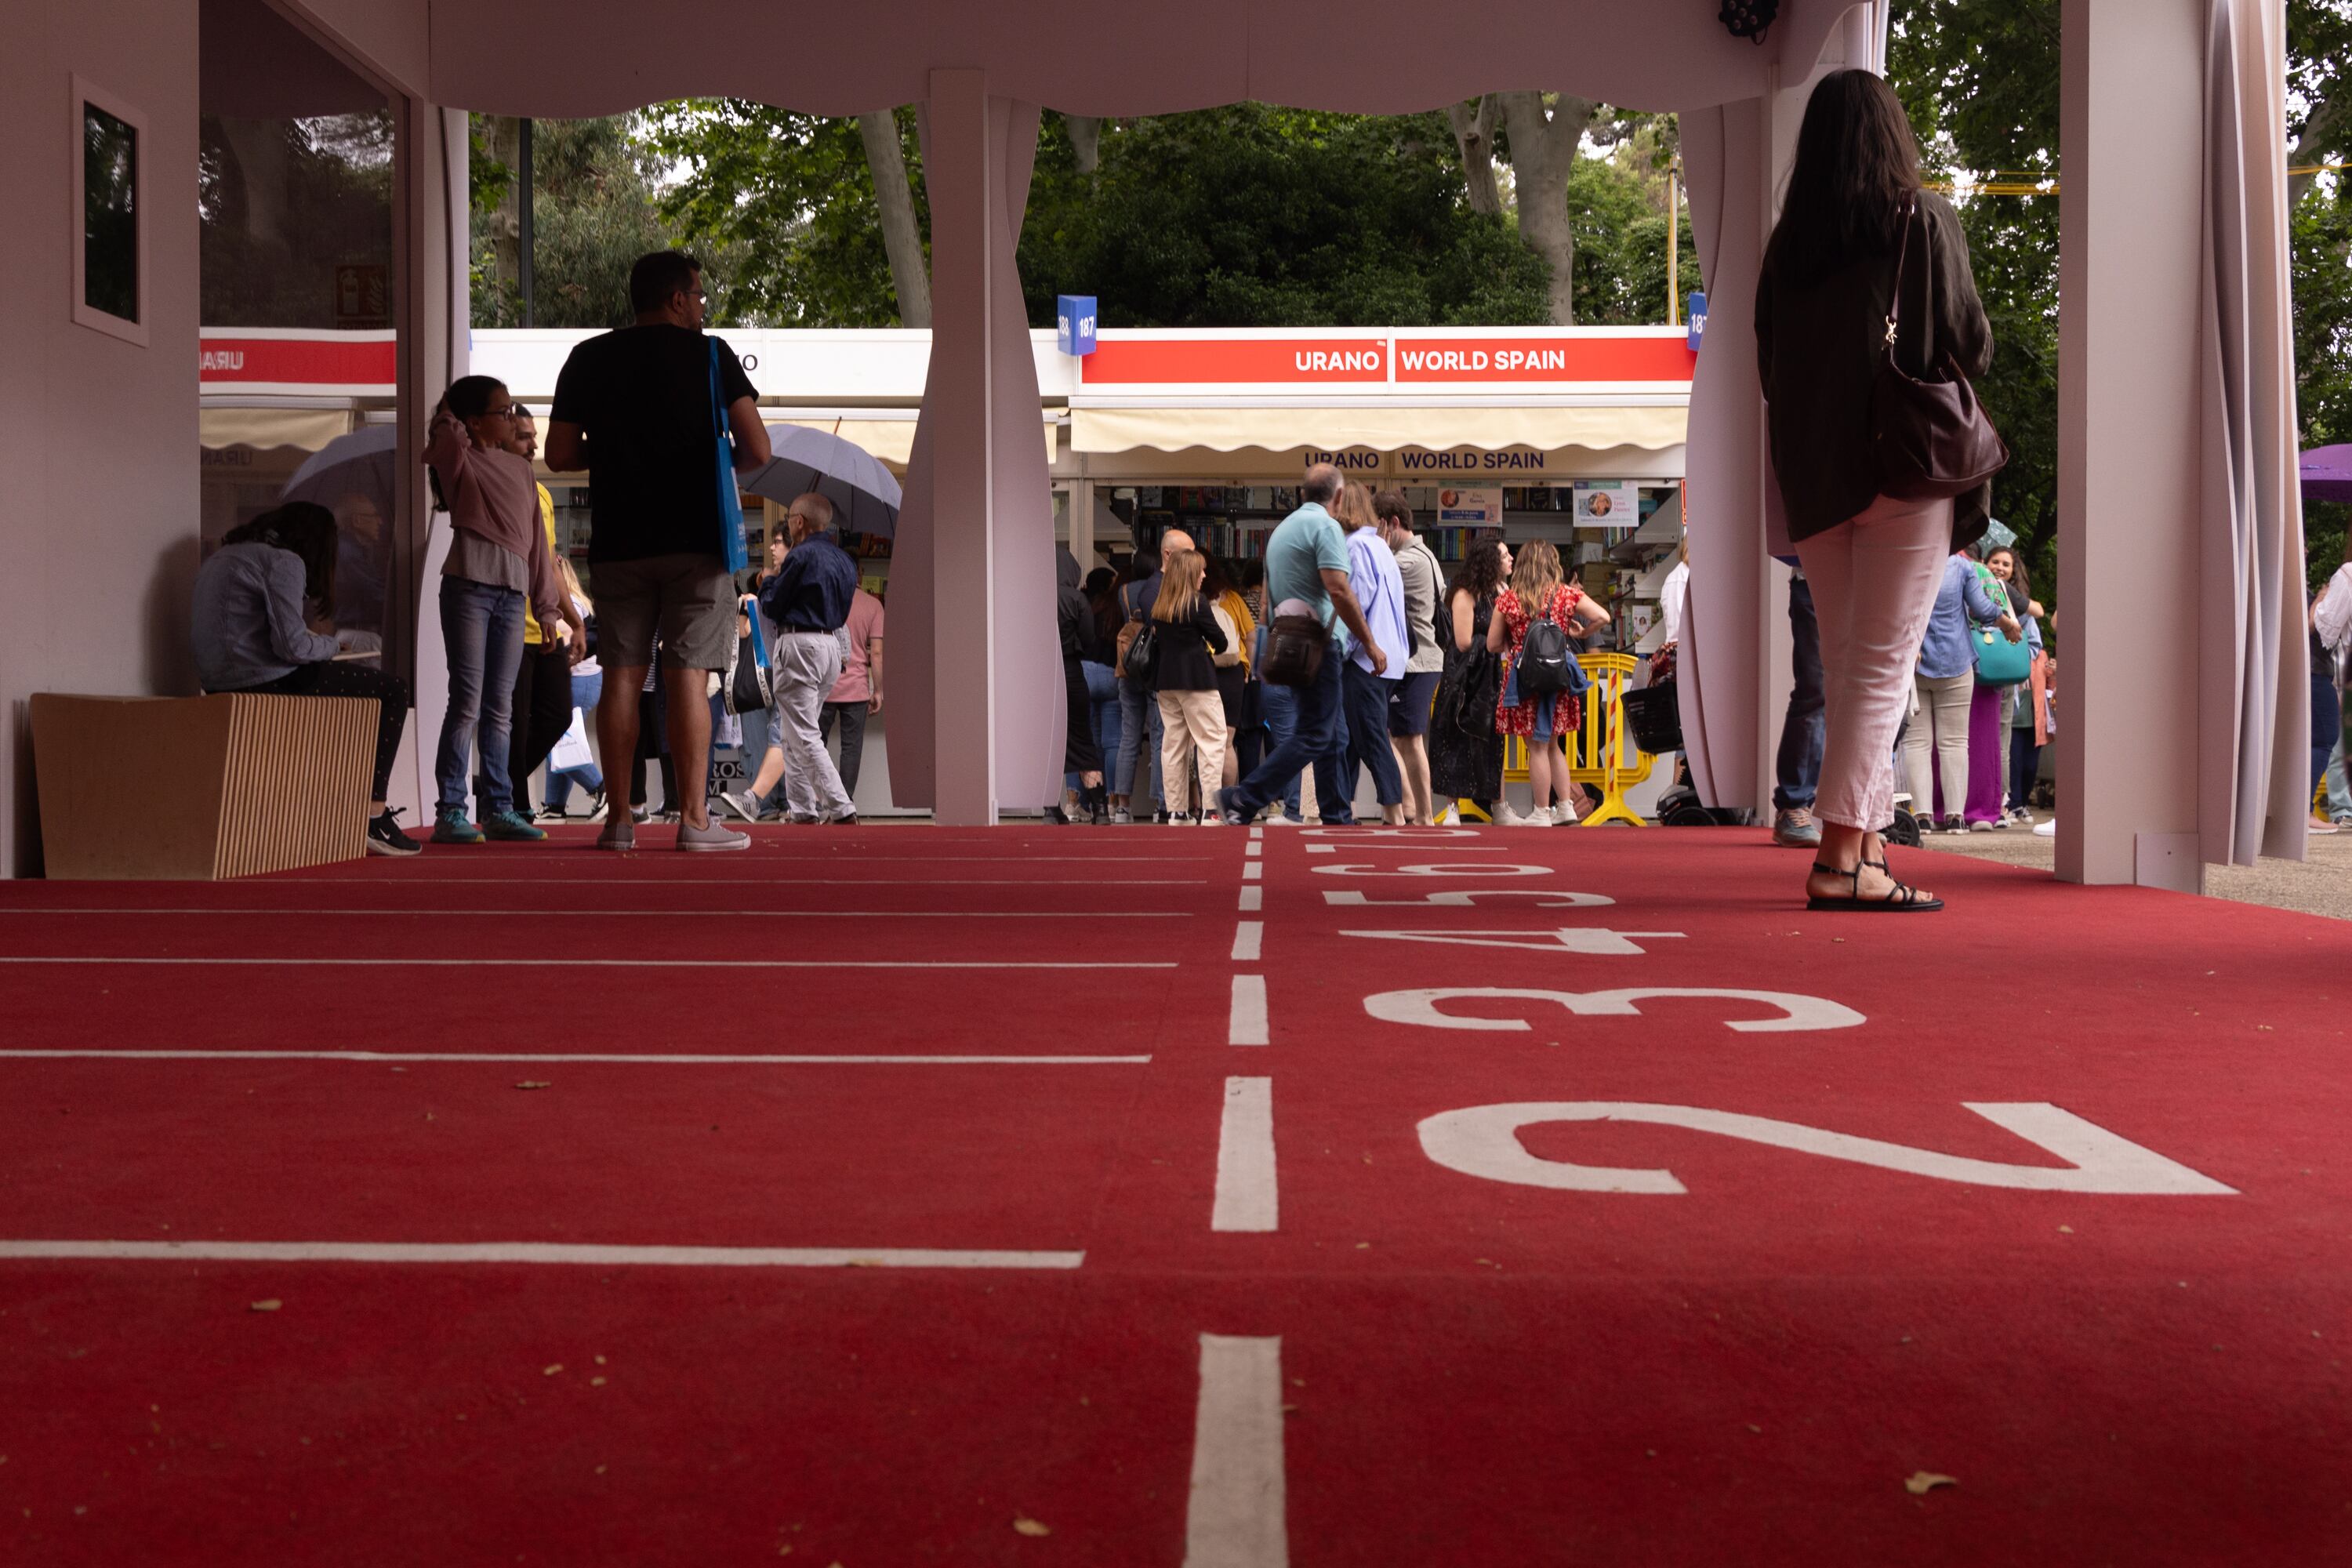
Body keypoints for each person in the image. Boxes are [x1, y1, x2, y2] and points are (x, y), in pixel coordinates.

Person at [1756, 67, 2002, 910]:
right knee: (1881, 666)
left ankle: (1861, 849)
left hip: (1816, 479)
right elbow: (1971, 339)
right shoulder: (1920, 220)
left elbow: (1767, 363)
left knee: (1855, 659)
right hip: (1903, 465)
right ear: (1893, 134)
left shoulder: (1788, 245)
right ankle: (1838, 857)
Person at [545, 249, 773, 852]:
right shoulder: (711, 355)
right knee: (688, 678)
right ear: (677, 298)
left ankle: (619, 820)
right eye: (698, 296)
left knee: (622, 675)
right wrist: (709, 457)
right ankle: (694, 820)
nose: (701, 307)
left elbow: (561, 455)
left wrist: (621, 455)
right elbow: (758, 449)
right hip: (697, 542)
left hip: (619, 544)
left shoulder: (587, 358)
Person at [191, 501, 419, 856]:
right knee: (391, 690)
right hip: (264, 679)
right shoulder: (283, 561)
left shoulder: (226, 556)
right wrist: (330, 646)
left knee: (347, 684)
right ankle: (373, 813)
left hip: (217, 680)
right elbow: (291, 647)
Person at [423, 376, 572, 845]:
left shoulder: (523, 472)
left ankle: (499, 807)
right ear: (473, 421)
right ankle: (451, 809)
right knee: (467, 700)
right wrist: (449, 403)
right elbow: (444, 434)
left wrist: (548, 611)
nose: (512, 418)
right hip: (468, 587)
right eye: (502, 411)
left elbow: (538, 552)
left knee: (500, 708)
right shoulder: (459, 458)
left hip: (511, 597)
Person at [1218, 464, 1385, 827]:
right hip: (1318, 645)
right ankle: (1243, 797)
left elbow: (1265, 599)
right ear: (1338, 497)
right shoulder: (1326, 527)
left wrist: (1265, 647)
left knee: (1333, 734)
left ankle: (1337, 814)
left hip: (1289, 641)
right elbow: (1338, 588)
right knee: (1316, 733)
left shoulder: (1281, 530)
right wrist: (1370, 644)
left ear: (1301, 493)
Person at [752, 492, 860, 825]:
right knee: (793, 731)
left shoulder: (799, 557)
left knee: (804, 732)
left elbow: (772, 605)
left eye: (789, 520)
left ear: (799, 522)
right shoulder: (845, 561)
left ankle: (841, 807)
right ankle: (802, 808)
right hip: (831, 647)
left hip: (800, 643)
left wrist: (768, 582)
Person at [498, 408, 585, 819]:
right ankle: (509, 800)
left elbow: (550, 566)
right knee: (511, 722)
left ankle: (501, 787)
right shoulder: (495, 488)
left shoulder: (544, 494)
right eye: (523, 437)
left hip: (546, 628)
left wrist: (577, 620)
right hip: (510, 625)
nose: (534, 445)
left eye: (533, 436)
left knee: (556, 716)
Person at [1487, 539, 1610, 826]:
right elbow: (1603, 616)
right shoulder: (1565, 594)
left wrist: (1514, 642)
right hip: (1557, 677)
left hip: (1524, 677)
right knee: (1554, 745)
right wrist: (1580, 633)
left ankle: (1541, 811)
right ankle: (1565, 806)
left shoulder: (1509, 599)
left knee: (1537, 748)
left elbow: (1492, 645)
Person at [1903, 548, 2017, 833]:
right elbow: (1982, 609)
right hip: (1956, 662)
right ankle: (1956, 817)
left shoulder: (1908, 558)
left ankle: (1923, 818)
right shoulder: (1962, 567)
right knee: (1954, 743)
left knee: (1917, 744)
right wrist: (2006, 624)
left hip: (1914, 663)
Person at [1337, 482, 1408, 825]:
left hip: (1367, 658)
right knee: (1357, 734)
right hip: (1392, 656)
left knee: (1369, 736)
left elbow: (1357, 603)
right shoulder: (1381, 546)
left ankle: (1394, 809)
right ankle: (1346, 807)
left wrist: (1347, 648)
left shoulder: (1353, 547)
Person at [1113, 528, 1192, 823]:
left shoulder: (1125, 591)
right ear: (1165, 556)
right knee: (1162, 736)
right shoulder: (1160, 588)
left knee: (1128, 737)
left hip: (1130, 666)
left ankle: (1122, 805)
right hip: (1155, 668)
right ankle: (1162, 803)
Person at [1430, 537, 1509, 824]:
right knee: (1456, 737)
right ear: (1489, 561)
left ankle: (1499, 805)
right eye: (1504, 554)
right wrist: (1496, 641)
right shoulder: (1466, 593)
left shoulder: (1500, 590)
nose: (1510, 558)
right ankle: (1453, 807)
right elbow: (1463, 642)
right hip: (1465, 676)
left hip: (1489, 673)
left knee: (1494, 740)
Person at [1377, 491, 1446, 826]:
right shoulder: (1427, 556)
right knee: (1400, 737)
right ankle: (1414, 810)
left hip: (1414, 662)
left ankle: (1421, 814)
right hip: (1422, 659)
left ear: (1391, 523)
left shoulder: (1405, 561)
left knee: (1407, 738)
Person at [1151, 548, 1231, 823]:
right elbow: (1221, 642)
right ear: (1189, 574)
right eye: (1201, 570)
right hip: (1197, 681)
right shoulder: (1197, 603)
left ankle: (1176, 811)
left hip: (1166, 682)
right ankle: (1211, 810)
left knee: (1173, 745)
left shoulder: (1160, 605)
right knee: (1211, 741)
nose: (1204, 575)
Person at [541, 557, 608, 820]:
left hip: (576, 681)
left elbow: (566, 646)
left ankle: (601, 789)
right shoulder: (580, 602)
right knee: (561, 741)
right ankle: (555, 805)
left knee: (559, 739)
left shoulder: (563, 605)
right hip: (589, 680)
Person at [1769, 566, 1828, 848]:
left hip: (1870, 580)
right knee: (1814, 691)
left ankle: (1856, 818)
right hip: (1815, 577)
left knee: (1861, 695)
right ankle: (1794, 805)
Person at [1053, 545, 1109, 823]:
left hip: (1042, 677)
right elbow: (1089, 640)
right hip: (1071, 673)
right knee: (1083, 740)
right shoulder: (1077, 599)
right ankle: (1101, 810)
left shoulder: (1031, 596)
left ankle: (1051, 810)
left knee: (1047, 744)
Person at [822, 572, 884, 806]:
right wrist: (877, 690)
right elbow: (876, 653)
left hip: (825, 686)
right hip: (857, 689)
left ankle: (818, 801)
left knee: (817, 745)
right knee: (851, 748)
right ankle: (844, 802)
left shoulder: (826, 599)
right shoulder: (873, 605)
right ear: (859, 574)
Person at [1202, 555, 1257, 789]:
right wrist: (1249, 670)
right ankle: (1228, 801)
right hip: (1234, 673)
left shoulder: (1194, 601)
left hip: (1203, 670)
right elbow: (1251, 638)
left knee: (1203, 741)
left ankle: (1204, 803)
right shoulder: (1233, 598)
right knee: (1227, 742)